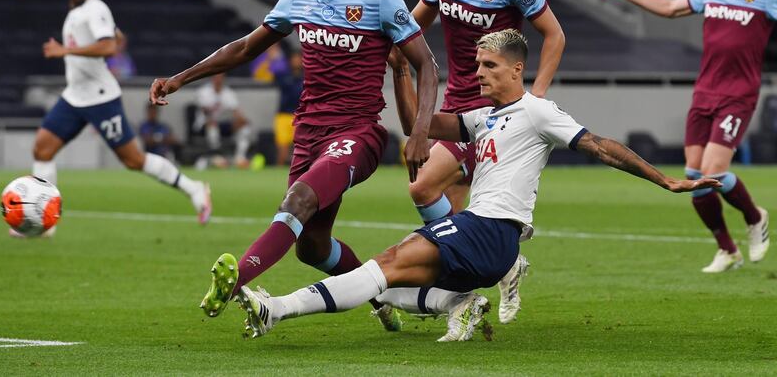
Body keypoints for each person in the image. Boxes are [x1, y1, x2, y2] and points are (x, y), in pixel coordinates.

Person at [230, 28, 720, 342]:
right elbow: (419, 126)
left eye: (488, 66)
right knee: (389, 284)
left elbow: (600, 145)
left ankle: (276, 310)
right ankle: (459, 304)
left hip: (492, 229)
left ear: (515, 69)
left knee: (387, 264)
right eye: (477, 65)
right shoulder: (487, 117)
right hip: (478, 232)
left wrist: (664, 180)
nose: (478, 74)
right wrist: (401, 73)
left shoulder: (537, 111)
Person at [149, 0, 439, 330]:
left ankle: (237, 282)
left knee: (297, 201)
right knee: (313, 247)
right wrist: (182, 77)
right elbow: (246, 47)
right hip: (309, 134)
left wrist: (421, 133)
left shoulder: (378, 0)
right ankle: (380, 298)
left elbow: (426, 64)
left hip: (358, 132)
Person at [395, 0, 566, 323]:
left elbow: (555, 35)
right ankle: (467, 295)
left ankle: (475, 277)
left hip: (493, 111)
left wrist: (537, 95)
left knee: (421, 187)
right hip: (455, 99)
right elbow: (419, 22)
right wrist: (392, 44)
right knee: (457, 212)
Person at [600, 0, 772, 273]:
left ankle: (755, 218)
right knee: (694, 176)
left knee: (713, 171)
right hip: (705, 92)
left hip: (738, 95)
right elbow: (669, 7)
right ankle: (728, 250)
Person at [30, 0, 212, 235]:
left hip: (100, 98)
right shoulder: (80, 11)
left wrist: (64, 51)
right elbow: (113, 36)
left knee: (133, 160)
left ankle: (193, 188)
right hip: (74, 96)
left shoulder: (95, 8)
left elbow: (108, 45)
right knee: (42, 149)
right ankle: (45, 221)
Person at [193, 73, 253, 169]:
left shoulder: (228, 93)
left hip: (224, 124)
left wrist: (241, 120)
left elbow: (236, 112)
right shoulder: (203, 91)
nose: (218, 79)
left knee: (244, 126)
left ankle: (240, 158)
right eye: (216, 77)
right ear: (212, 78)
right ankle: (217, 156)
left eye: (221, 77)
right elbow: (206, 113)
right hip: (204, 125)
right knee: (212, 125)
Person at [272, 51, 303, 166]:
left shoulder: (306, 77)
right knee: (282, 151)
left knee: (299, 151)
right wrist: (275, 59)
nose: (296, 61)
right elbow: (273, 74)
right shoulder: (284, 75)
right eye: (294, 58)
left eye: (298, 58)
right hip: (283, 115)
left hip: (299, 116)